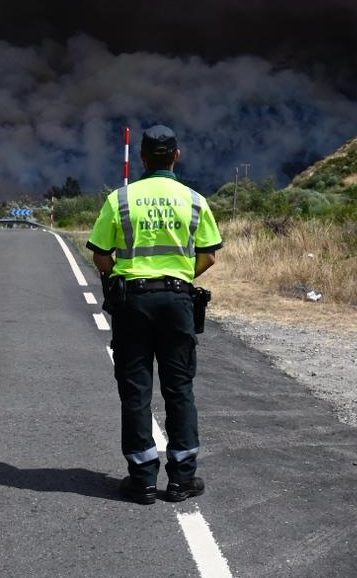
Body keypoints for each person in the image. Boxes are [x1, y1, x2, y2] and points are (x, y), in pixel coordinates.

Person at [87, 125, 222, 504]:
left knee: (136, 389)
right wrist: (180, 278)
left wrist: (118, 279)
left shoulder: (120, 199)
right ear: (176, 155)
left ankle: (143, 480)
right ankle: (182, 479)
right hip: (178, 302)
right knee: (179, 388)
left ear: (142, 157)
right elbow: (209, 255)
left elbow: (100, 253)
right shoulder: (194, 200)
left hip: (133, 303)